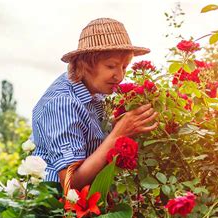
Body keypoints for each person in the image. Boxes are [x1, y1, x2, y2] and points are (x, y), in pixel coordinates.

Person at [31, 17, 158, 192]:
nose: (120, 76)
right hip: (55, 210)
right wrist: (117, 135)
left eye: (124, 67)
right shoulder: (63, 103)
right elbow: (70, 182)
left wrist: (114, 126)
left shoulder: (92, 91)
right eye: (111, 66)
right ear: (85, 64)